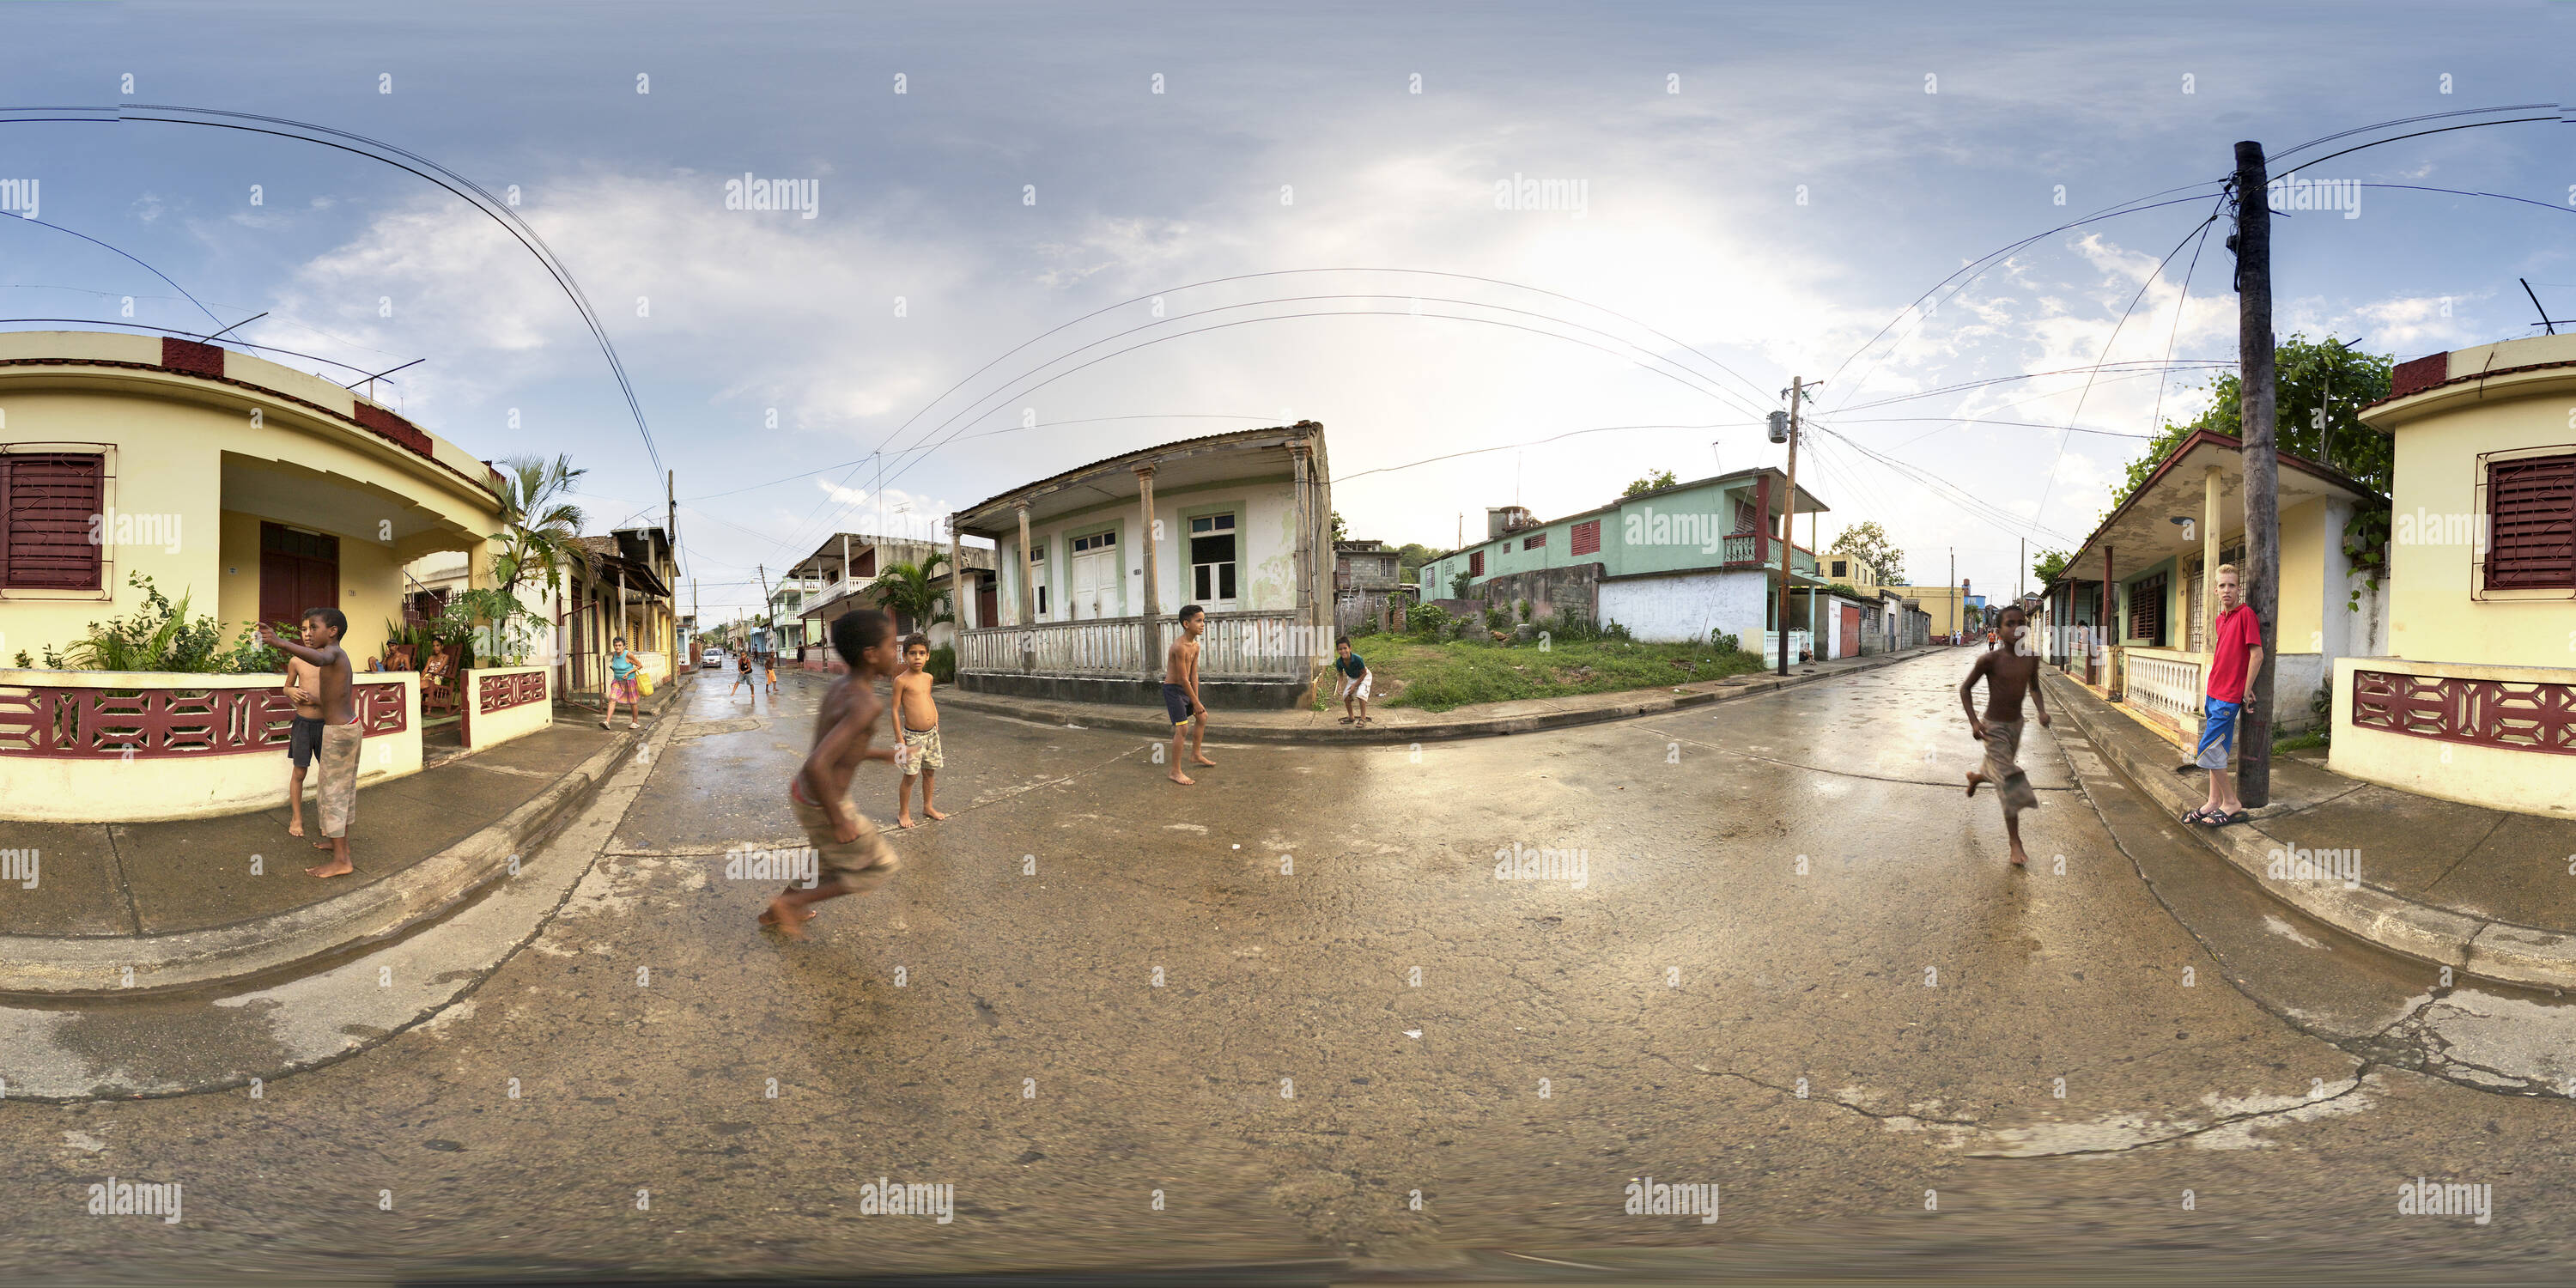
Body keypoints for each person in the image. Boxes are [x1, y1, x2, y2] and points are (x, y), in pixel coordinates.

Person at [762, 610, 906, 941]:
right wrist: (838, 819)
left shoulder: (841, 686)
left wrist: (879, 753)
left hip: (805, 793)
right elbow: (819, 763)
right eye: (889, 646)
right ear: (870, 655)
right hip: (823, 800)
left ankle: (776, 911)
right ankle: (792, 904)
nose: (894, 653)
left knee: (824, 861)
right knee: (878, 865)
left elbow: (836, 747)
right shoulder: (866, 704)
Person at [258, 609, 362, 878]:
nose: (308, 633)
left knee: (333, 797)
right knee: (340, 795)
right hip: (342, 729)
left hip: (339, 733)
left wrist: (280, 642)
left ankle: (342, 860)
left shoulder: (333, 653)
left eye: (314, 627)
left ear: (332, 631)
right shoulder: (334, 655)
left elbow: (319, 657)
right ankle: (338, 845)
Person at [1958, 603, 2048, 868]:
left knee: (1999, 770)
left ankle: (1977, 777)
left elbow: (2035, 688)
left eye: (2023, 623)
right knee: (2009, 779)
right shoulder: (1989, 660)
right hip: (1993, 727)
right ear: (1998, 630)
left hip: (2016, 726)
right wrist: (1975, 723)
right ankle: (2015, 841)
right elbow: (1965, 690)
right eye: (2011, 623)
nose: (2018, 628)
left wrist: (2042, 711)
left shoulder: (2031, 658)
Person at [2188, 563, 2265, 828]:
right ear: (2215, 590)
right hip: (2213, 691)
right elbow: (2234, 657)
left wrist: (2245, 691)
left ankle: (2230, 802)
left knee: (2208, 749)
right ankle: (2213, 801)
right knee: (2216, 750)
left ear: (2238, 588)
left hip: (2229, 696)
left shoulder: (2246, 615)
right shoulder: (2222, 619)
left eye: (2232, 585)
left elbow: (2256, 655)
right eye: (2222, 586)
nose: (2227, 590)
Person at [891, 634, 948, 828]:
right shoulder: (901, 681)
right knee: (910, 776)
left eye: (922, 653)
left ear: (928, 656)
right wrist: (899, 737)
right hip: (911, 737)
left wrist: (936, 718)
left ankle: (928, 806)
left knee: (930, 772)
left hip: (932, 734)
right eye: (912, 653)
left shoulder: (928, 678)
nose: (917, 657)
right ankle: (903, 812)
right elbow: (894, 709)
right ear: (904, 656)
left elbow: (928, 698)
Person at [1163, 604, 1217, 786]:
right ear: (1186, 624)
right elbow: (1183, 678)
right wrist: (1194, 701)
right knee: (1183, 728)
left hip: (1187, 689)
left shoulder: (1195, 646)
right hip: (1173, 690)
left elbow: (1194, 675)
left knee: (1202, 717)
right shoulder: (1179, 647)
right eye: (1199, 621)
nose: (1203, 624)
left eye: (1204, 621)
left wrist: (1197, 701)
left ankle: (1196, 754)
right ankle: (1175, 771)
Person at [281, 645, 325, 838]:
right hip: (303, 725)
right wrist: (290, 692)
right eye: (304, 629)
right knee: (299, 771)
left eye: (313, 629)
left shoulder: (330, 661)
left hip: (326, 724)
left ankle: (327, 819)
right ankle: (296, 818)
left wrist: (316, 700)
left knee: (328, 774)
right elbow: (287, 687)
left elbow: (339, 696)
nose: (308, 634)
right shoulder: (296, 660)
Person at [603, 636, 641, 730]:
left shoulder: (628, 655)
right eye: (616, 645)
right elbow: (616, 665)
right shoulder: (613, 654)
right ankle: (607, 722)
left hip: (629, 681)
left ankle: (635, 722)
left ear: (624, 646)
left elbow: (640, 665)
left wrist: (628, 673)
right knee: (612, 699)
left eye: (620, 645)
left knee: (633, 702)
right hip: (617, 681)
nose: (617, 647)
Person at [1333, 636, 1373, 725]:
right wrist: (1339, 685)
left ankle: (1363, 718)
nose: (1343, 651)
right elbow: (1340, 675)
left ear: (1350, 648)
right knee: (1346, 696)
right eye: (1340, 649)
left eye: (1345, 648)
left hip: (1364, 676)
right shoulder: (1339, 662)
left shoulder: (1358, 659)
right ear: (1337, 651)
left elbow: (1364, 673)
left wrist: (1354, 686)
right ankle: (1351, 717)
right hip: (1352, 677)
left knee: (1360, 694)